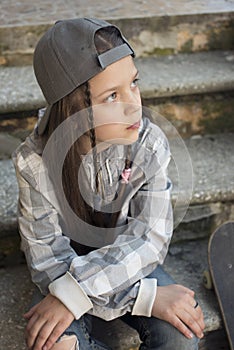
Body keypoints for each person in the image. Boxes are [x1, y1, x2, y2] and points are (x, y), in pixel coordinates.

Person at [12, 18, 205, 350]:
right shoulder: (35, 162)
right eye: (112, 95)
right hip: (62, 269)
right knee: (54, 345)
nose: (134, 105)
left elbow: (149, 238)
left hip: (127, 257)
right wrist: (145, 299)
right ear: (72, 108)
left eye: (134, 83)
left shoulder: (148, 143)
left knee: (181, 337)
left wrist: (76, 294)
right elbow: (47, 260)